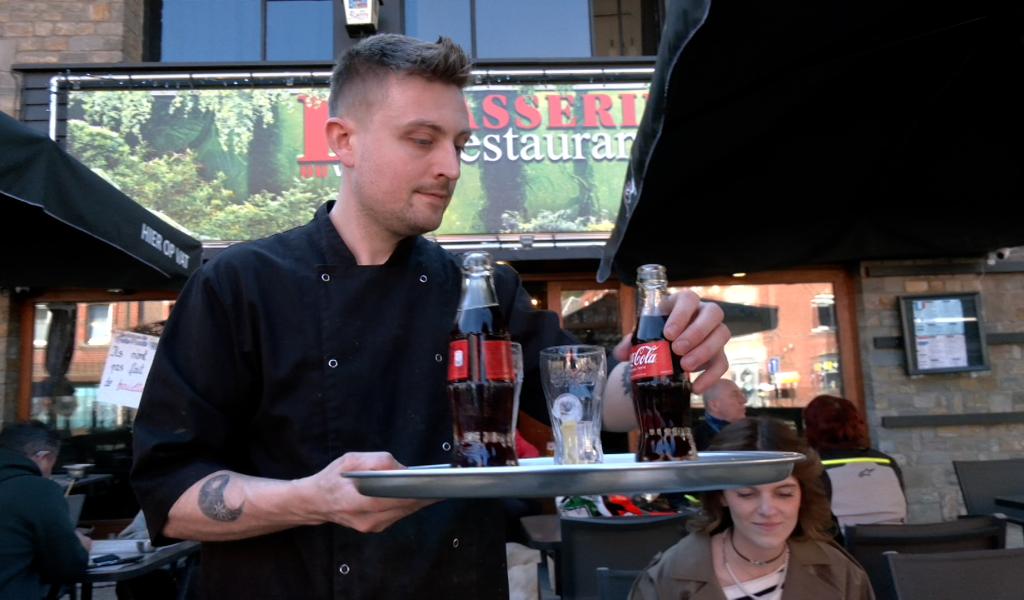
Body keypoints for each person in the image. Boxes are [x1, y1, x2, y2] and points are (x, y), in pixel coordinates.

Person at [130, 34, 731, 598]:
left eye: (460, 144)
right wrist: (313, 499)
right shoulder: (240, 285)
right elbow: (171, 494)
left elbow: (595, 402)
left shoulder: (481, 291)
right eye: (423, 140)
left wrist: (669, 356)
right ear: (343, 141)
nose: (451, 166)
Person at [630, 417, 874, 600]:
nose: (768, 509)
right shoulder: (671, 574)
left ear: (802, 495)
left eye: (784, 493)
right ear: (722, 496)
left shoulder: (839, 573)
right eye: (747, 494)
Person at [0, 422, 92, 600]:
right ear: (43, 457)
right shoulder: (37, 489)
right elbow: (68, 566)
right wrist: (80, 546)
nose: (50, 473)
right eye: (52, 466)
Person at [804, 395, 907, 529]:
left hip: (839, 547)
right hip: (895, 543)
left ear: (811, 428)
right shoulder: (886, 463)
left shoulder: (813, 469)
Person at [693, 378, 748, 450]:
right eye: (735, 395)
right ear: (714, 406)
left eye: (742, 394)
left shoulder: (752, 431)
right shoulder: (696, 442)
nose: (744, 400)